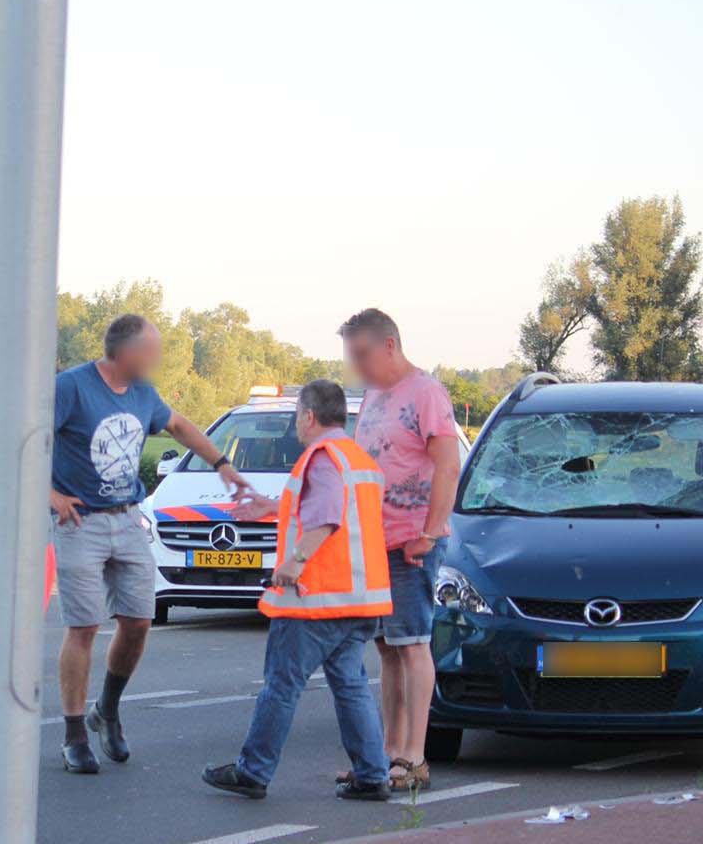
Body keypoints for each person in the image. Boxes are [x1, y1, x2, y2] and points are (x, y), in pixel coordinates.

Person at [50, 314, 251, 774]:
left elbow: (178, 426)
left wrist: (221, 462)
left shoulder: (143, 393)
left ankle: (108, 708)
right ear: (126, 352)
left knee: (139, 622)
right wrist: (52, 495)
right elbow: (31, 440)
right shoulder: (72, 387)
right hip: (80, 520)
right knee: (82, 627)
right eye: (152, 351)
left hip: (127, 518)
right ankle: (75, 733)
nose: (158, 359)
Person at [201, 381, 393, 801]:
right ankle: (373, 774)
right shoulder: (357, 458)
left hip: (315, 598)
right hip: (358, 601)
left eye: (296, 418)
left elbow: (326, 518)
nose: (296, 426)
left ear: (309, 416)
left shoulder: (322, 458)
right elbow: (337, 511)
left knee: (282, 684)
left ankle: (254, 771)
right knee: (351, 684)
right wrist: (273, 508)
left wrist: (295, 561)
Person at [339, 309, 461, 791]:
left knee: (412, 644)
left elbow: (447, 466)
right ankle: (384, 753)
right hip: (375, 539)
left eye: (363, 354)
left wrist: (429, 533)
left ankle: (414, 757)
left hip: (413, 540)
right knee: (387, 648)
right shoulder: (372, 395)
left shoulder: (426, 392)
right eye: (352, 356)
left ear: (389, 345)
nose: (357, 365)